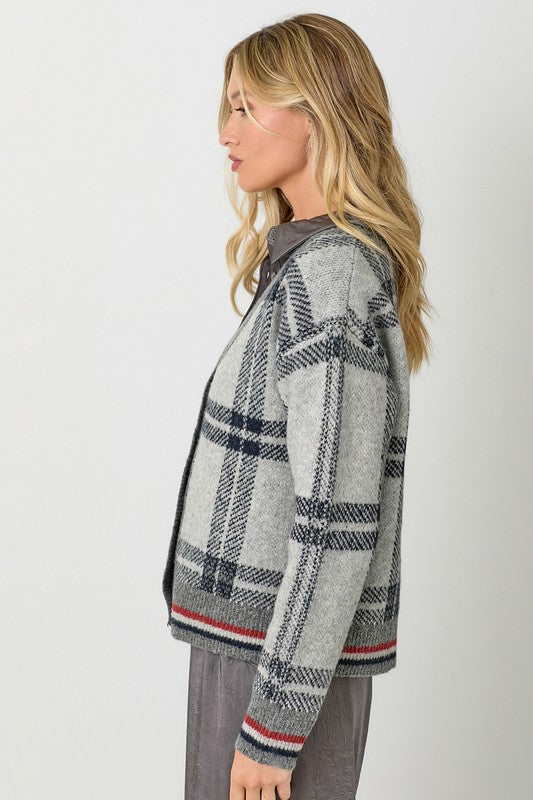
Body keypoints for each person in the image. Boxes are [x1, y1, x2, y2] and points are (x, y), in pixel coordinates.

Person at [162, 12, 432, 800]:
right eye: (228, 108)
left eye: (246, 108)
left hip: (275, 664)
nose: (226, 132)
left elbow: (336, 524)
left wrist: (272, 727)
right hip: (261, 647)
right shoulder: (306, 264)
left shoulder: (330, 276)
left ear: (315, 114)